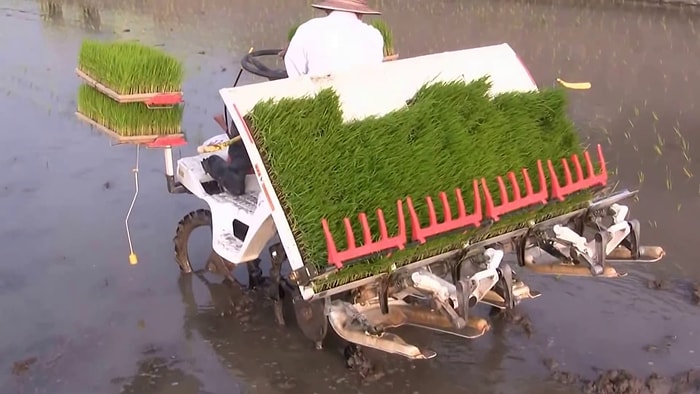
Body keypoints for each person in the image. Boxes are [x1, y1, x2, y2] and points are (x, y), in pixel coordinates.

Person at [283, 0, 385, 78]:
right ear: (361, 12)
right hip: (362, 100)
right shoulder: (374, 35)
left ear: (327, 8)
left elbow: (294, 75)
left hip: (319, 101)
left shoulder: (308, 29)